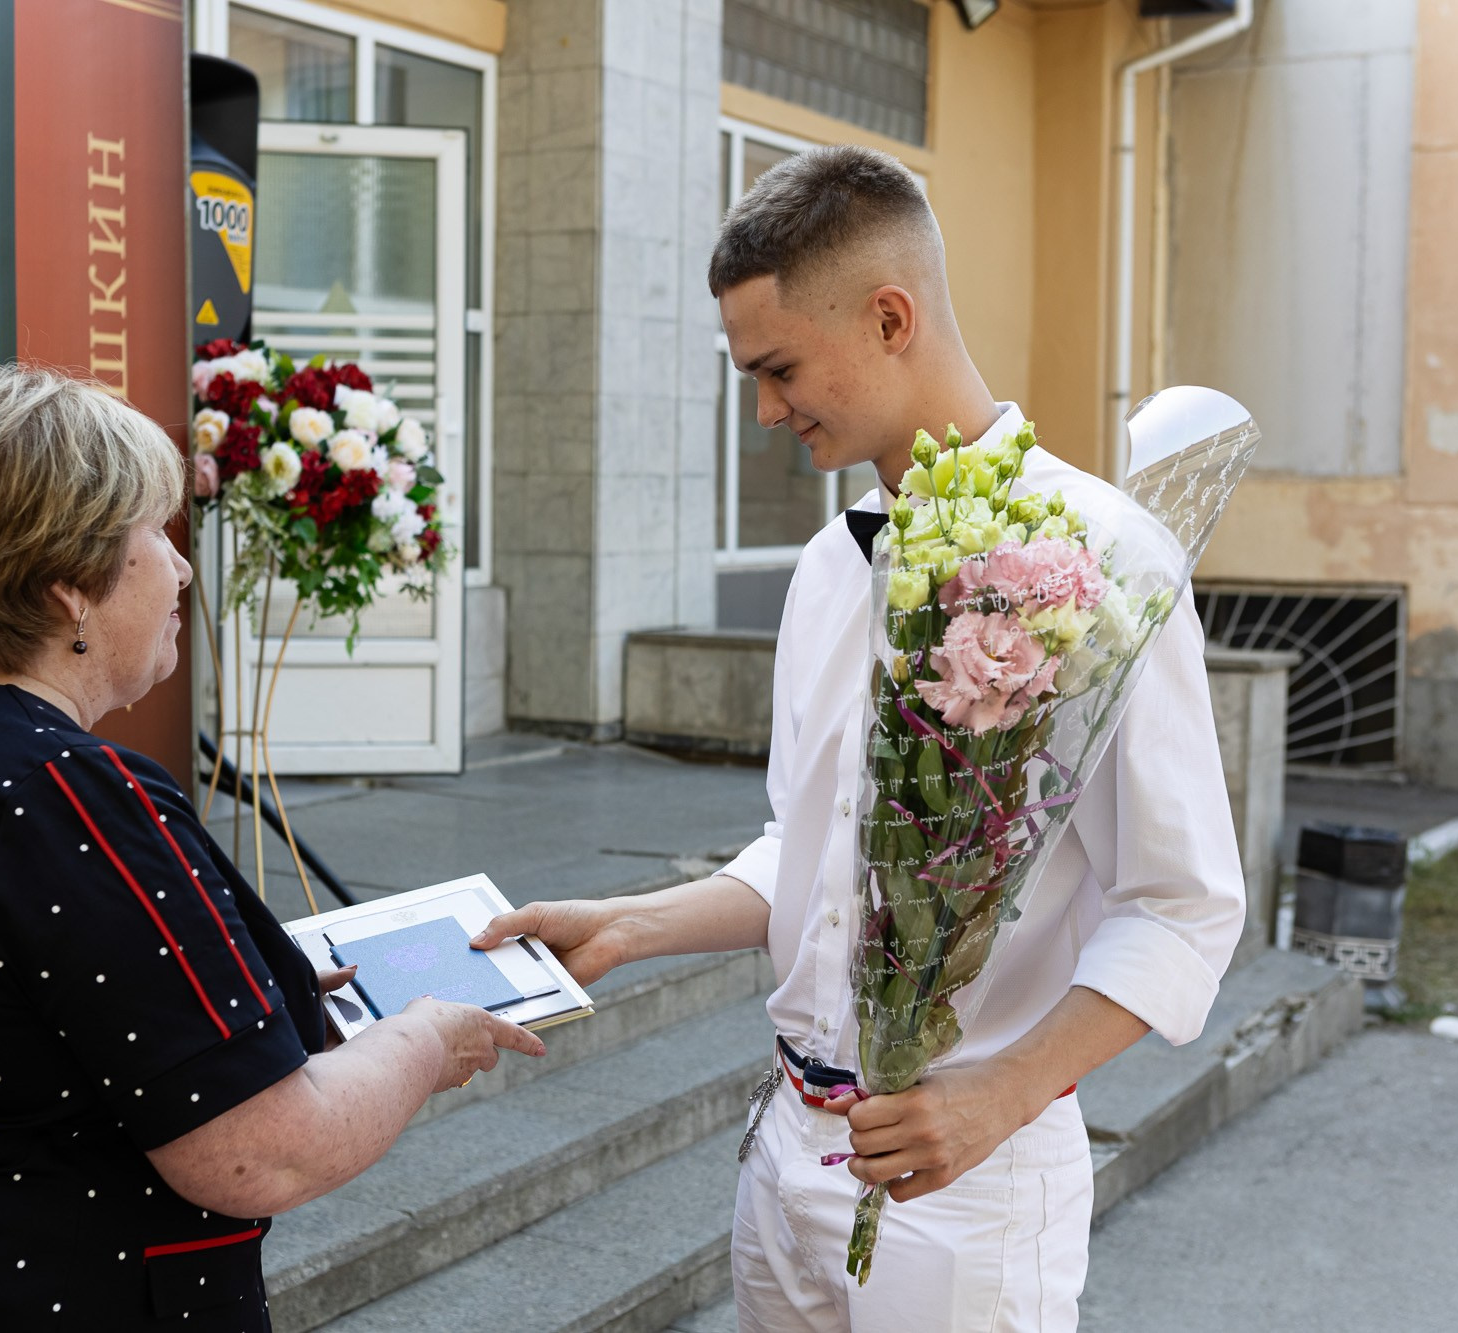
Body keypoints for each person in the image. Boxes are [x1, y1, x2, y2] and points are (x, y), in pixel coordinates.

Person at [475, 145, 1245, 1331]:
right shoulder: (827, 567)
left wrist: (1000, 1095)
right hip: (783, 1151)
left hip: (964, 1181)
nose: (766, 409)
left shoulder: (1108, 563)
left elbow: (1180, 904)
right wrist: (629, 927)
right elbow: (814, 849)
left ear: (890, 316)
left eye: (777, 368)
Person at [0, 363, 542, 1331]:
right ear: (67, 586)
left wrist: (247, 998)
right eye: (156, 536)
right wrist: (423, 1036)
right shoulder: (57, 787)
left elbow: (32, 1009)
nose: (181, 569)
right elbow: (260, 1149)